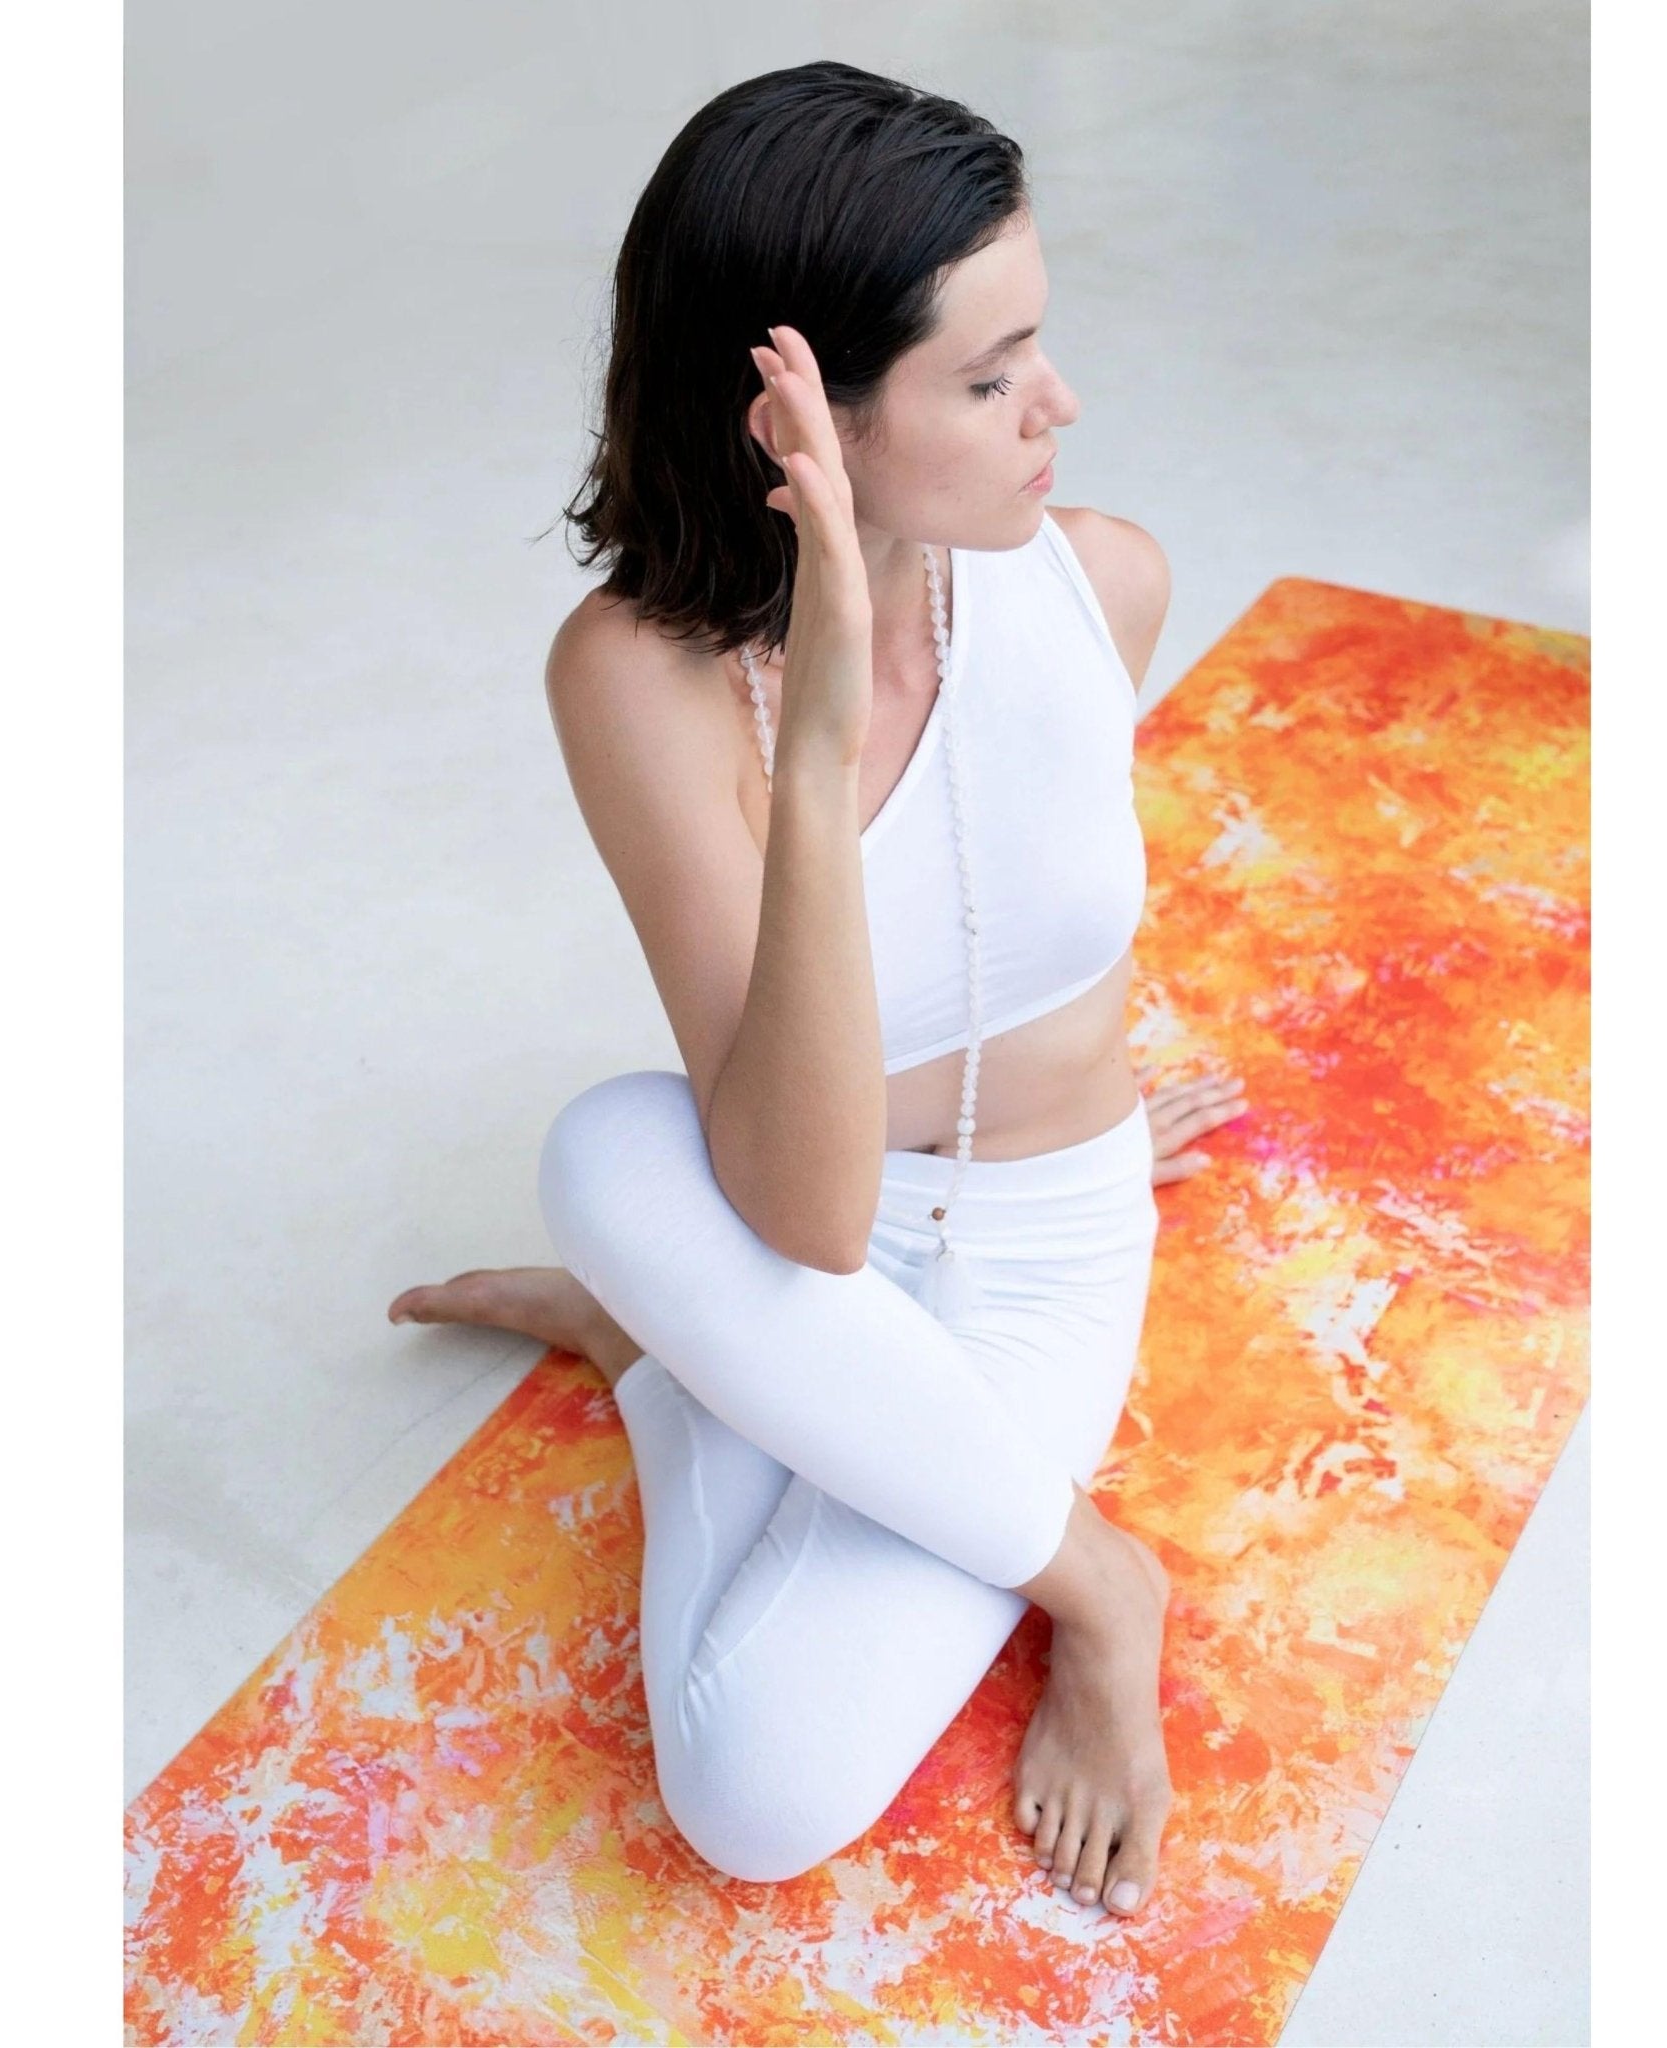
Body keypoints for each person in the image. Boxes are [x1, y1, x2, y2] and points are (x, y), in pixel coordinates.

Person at [390, 61, 1247, 1915]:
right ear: (804, 424)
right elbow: (806, 1210)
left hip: (1040, 1245)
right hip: (800, 1239)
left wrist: (1091, 1108)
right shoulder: (637, 676)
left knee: (755, 1793)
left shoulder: (1100, 584)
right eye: (989, 377)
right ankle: (1107, 1586)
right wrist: (824, 725)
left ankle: (655, 1353)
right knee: (607, 1151)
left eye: (1039, 345)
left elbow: (1022, 922)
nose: (1059, 406)